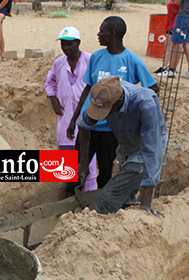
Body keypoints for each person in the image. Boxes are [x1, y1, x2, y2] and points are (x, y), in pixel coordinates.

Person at [67, 16, 159, 190]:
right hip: (90, 122)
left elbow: (152, 89)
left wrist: (133, 113)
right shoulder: (96, 57)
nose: (98, 34)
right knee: (76, 167)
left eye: (101, 31)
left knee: (106, 171)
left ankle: (100, 208)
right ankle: (69, 204)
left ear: (112, 33)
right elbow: (87, 89)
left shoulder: (132, 60)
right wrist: (74, 118)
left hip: (111, 129)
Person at [77, 76, 168, 215]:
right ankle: (125, 217)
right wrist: (83, 162)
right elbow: (84, 126)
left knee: (107, 200)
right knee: (125, 196)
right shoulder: (104, 93)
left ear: (118, 101)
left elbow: (152, 150)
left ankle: (101, 229)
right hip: (127, 144)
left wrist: (146, 205)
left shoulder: (145, 103)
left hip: (145, 146)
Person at [44, 27, 93, 193]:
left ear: (78, 43)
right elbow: (50, 82)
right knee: (66, 160)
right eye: (63, 45)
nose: (66, 48)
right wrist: (53, 99)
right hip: (65, 117)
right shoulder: (59, 63)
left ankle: (88, 194)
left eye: (69, 44)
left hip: (86, 117)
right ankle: (68, 194)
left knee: (87, 158)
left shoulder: (90, 60)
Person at [152, 0, 180, 75]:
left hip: (174, 24)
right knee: (168, 46)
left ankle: (166, 66)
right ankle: (165, 65)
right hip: (170, 24)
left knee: (170, 46)